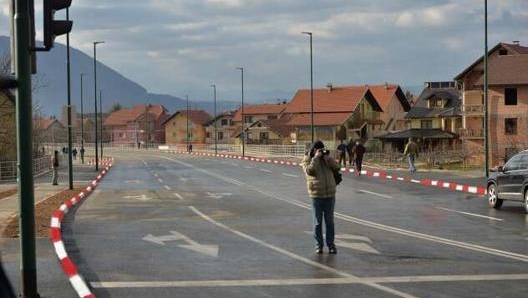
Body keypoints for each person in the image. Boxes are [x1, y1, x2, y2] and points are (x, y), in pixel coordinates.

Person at [302, 140, 340, 254]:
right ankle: (319, 245)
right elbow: (310, 171)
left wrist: (329, 159)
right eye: (319, 150)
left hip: (330, 195)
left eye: (322, 149)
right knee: (318, 222)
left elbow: (337, 168)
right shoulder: (307, 160)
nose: (321, 152)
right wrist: (316, 158)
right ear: (313, 150)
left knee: (330, 222)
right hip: (316, 195)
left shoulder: (326, 159)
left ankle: (331, 245)